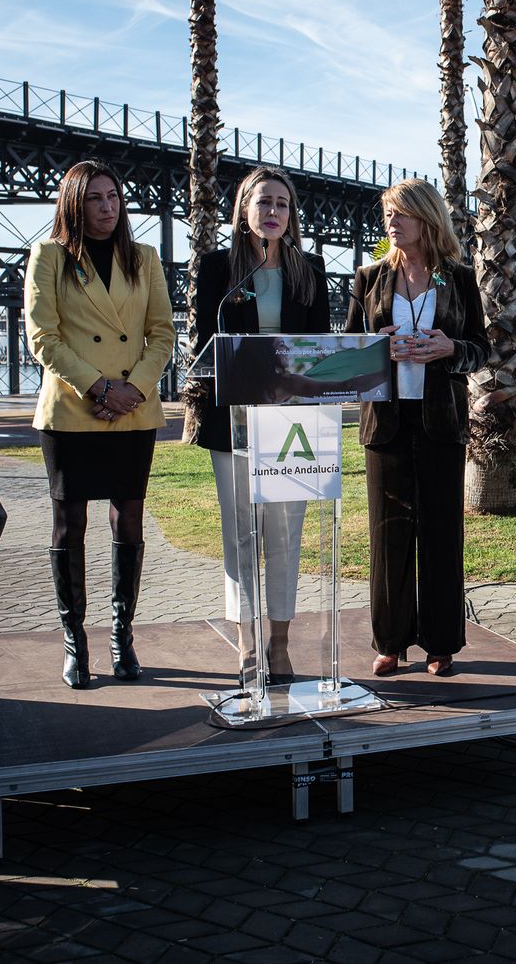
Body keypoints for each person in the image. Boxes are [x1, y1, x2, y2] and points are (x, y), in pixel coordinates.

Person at [26, 160, 176, 690]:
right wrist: (100, 387)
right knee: (71, 525)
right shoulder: (49, 256)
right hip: (72, 411)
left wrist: (133, 388)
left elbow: (163, 332)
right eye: (95, 198)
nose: (107, 207)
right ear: (74, 204)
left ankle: (122, 634)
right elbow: (43, 337)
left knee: (128, 522)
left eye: (114, 197)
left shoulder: (145, 258)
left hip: (133, 410)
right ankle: (74, 640)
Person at [186, 167, 331, 684]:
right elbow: (207, 343)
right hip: (235, 424)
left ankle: (281, 643)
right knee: (240, 534)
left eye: (283, 205)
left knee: (285, 536)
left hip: (293, 425)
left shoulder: (309, 269)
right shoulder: (217, 269)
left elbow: (319, 350)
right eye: (264, 202)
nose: (273, 212)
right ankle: (247, 643)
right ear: (244, 209)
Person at [343, 178, 489, 678]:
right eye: (387, 213)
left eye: (400, 213)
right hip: (385, 423)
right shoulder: (368, 278)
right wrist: (372, 346)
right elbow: (347, 350)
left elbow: (481, 349)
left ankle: (441, 643)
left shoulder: (460, 278)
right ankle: (390, 641)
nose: (391, 221)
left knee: (441, 533)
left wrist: (450, 349)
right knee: (388, 536)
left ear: (427, 218)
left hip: (440, 422)